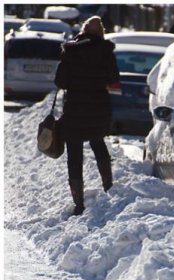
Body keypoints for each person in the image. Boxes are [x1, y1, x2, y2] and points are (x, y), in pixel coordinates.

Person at [54, 16, 120, 216]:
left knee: (74, 154)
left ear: (83, 30)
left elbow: (60, 82)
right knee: (98, 143)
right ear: (101, 32)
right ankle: (108, 186)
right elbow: (114, 78)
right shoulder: (106, 51)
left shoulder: (71, 50)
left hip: (75, 110)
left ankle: (79, 203)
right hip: (98, 109)